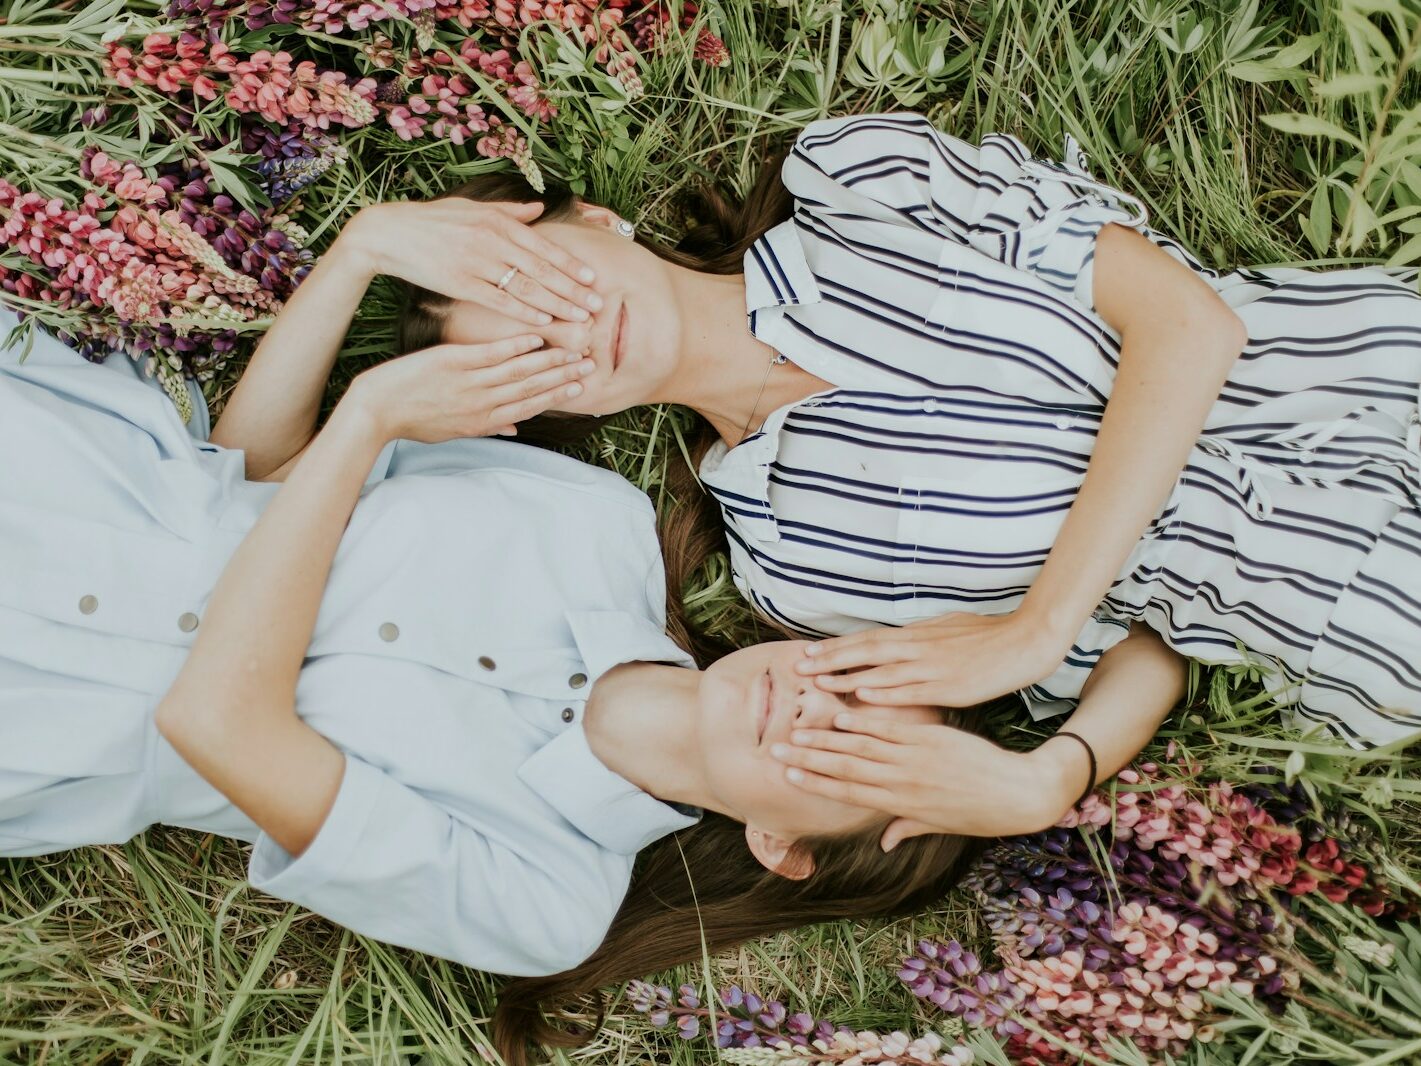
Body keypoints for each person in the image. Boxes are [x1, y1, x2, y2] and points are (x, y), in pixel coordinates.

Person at [0, 197, 1013, 1066]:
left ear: (780, 845)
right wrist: (361, 249)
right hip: (61, 472)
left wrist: (365, 423)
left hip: (39, 717)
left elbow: (217, 724)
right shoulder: (593, 520)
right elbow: (251, 491)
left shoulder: (544, 900)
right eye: (856, 685)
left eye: (837, 750)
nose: (810, 703)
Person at [396, 109, 1421, 846]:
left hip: (1365, 366)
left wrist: (1033, 629)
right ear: (543, 414)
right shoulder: (791, 572)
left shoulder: (855, 183)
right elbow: (1147, 647)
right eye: (525, 354)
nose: (568, 329)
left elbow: (1189, 322)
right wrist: (1043, 779)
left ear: (592, 221)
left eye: (538, 285)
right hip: (1351, 606)